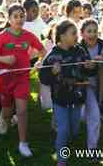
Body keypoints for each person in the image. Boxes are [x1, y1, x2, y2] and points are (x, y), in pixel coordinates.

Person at [0, 4, 46, 157]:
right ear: (9, 19)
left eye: (22, 16)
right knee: (7, 109)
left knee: (22, 110)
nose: (19, 19)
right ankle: (3, 118)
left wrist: (39, 60)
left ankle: (23, 142)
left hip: (22, 78)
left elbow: (42, 51)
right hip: (4, 79)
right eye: (16, 16)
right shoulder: (2, 37)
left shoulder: (29, 36)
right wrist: (4, 59)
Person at [39, 20, 91, 166]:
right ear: (62, 36)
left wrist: (89, 67)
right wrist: (53, 72)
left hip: (78, 97)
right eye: (73, 33)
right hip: (60, 99)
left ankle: (66, 142)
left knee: (74, 129)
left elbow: (88, 71)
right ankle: (61, 160)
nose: (77, 36)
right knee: (63, 129)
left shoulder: (80, 51)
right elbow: (43, 78)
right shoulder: (52, 56)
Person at [80, 18, 103, 162]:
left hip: (100, 85)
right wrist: (83, 67)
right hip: (83, 85)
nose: (92, 34)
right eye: (89, 31)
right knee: (85, 116)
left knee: (93, 116)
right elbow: (71, 68)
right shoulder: (77, 47)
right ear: (82, 33)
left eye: (95, 31)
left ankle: (92, 149)